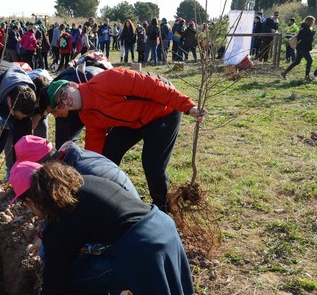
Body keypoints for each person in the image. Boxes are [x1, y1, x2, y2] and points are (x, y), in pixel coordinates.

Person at [11, 161, 194, 295]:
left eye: (25, 204)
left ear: (32, 201)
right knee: (85, 274)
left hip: (143, 252)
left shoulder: (62, 221)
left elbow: (54, 281)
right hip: (162, 230)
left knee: (68, 282)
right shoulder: (83, 184)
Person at [42, 67, 207, 211]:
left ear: (72, 85)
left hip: (162, 112)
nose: (66, 102)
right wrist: (86, 178)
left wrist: (188, 106)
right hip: (133, 121)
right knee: (108, 157)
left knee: (152, 164)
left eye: (63, 95)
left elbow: (153, 87)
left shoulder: (108, 80)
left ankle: (162, 207)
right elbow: (95, 151)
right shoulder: (87, 116)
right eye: (61, 104)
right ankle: (113, 200)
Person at [281, 16, 315, 81]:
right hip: (303, 47)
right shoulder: (305, 28)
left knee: (297, 61)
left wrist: (311, 33)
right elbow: (305, 38)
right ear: (309, 21)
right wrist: (312, 35)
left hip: (300, 46)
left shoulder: (303, 27)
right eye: (312, 21)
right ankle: (306, 76)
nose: (313, 23)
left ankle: (284, 73)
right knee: (310, 60)